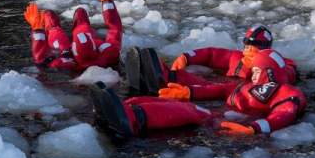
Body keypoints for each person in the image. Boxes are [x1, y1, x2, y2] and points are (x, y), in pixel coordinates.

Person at [91, 49, 305, 139]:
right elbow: (222, 89)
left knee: (190, 111)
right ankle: (130, 102)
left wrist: (252, 129)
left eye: (258, 72)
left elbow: (284, 113)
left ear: (269, 71)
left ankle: (134, 117)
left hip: (233, 122)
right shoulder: (248, 85)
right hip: (229, 114)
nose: (254, 75)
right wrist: (189, 92)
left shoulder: (288, 92)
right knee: (185, 99)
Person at [124, 25, 298, 96]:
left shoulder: (275, 62)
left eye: (252, 46)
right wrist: (188, 56)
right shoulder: (236, 58)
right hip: (224, 86)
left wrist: (271, 62)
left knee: (198, 85)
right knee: (196, 81)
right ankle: (159, 75)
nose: (247, 48)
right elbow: (212, 54)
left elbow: (288, 72)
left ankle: (162, 78)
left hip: (238, 93)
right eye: (246, 44)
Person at [24, 0, 122, 69]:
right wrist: (107, 0)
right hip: (89, 47)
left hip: (64, 49)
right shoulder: (109, 53)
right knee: (81, 17)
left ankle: (51, 28)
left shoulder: (66, 62)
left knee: (54, 29)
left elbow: (40, 59)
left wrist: (37, 30)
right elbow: (115, 29)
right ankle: (80, 26)